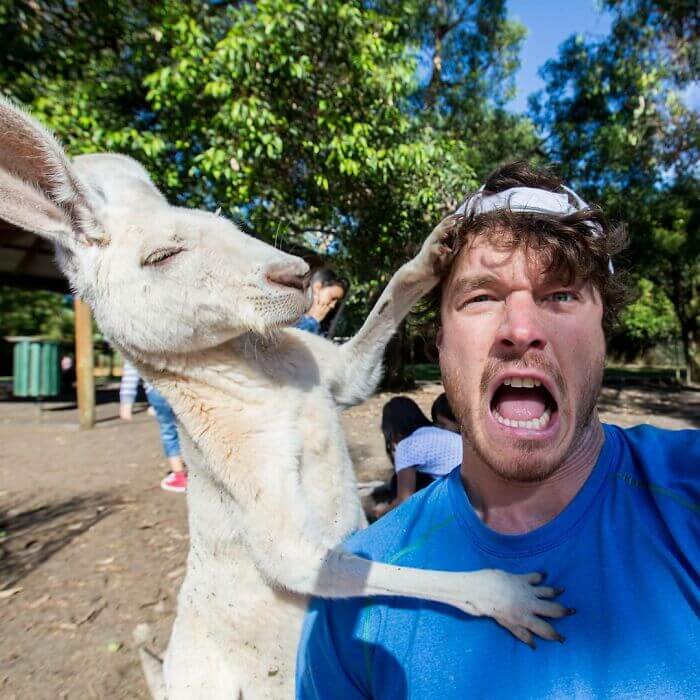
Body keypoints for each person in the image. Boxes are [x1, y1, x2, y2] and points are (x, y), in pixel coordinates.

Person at [296, 161, 700, 698]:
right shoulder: (359, 592)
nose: (521, 329)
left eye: (560, 295)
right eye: (481, 297)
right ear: (440, 345)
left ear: (603, 333)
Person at [373, 395, 462, 517]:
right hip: (473, 493)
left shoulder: (407, 444)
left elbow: (404, 499)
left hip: (456, 501)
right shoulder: (440, 432)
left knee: (397, 481)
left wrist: (383, 510)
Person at [119, 360, 187, 493]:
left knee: (169, 430)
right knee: (190, 429)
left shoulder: (136, 340)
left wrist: (126, 402)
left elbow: (131, 369)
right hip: (184, 385)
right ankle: (203, 470)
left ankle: (179, 476)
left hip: (158, 390)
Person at [295, 267, 348, 336]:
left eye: (336, 302)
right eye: (332, 298)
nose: (333, 306)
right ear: (317, 287)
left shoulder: (322, 326)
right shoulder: (288, 313)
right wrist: (313, 320)